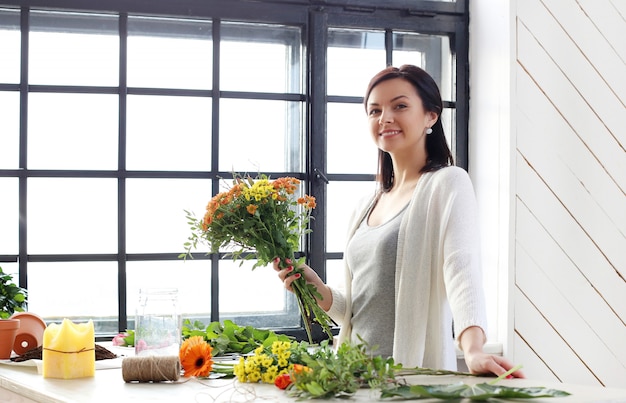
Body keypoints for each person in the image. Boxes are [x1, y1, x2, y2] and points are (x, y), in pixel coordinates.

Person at [274, 64, 524, 378]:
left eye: (400, 106)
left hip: (408, 380)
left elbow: (462, 270)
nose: (385, 118)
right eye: (374, 110)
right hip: (350, 378)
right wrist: (317, 288)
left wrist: (473, 349)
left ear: (431, 115)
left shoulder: (447, 183)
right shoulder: (366, 205)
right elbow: (359, 308)